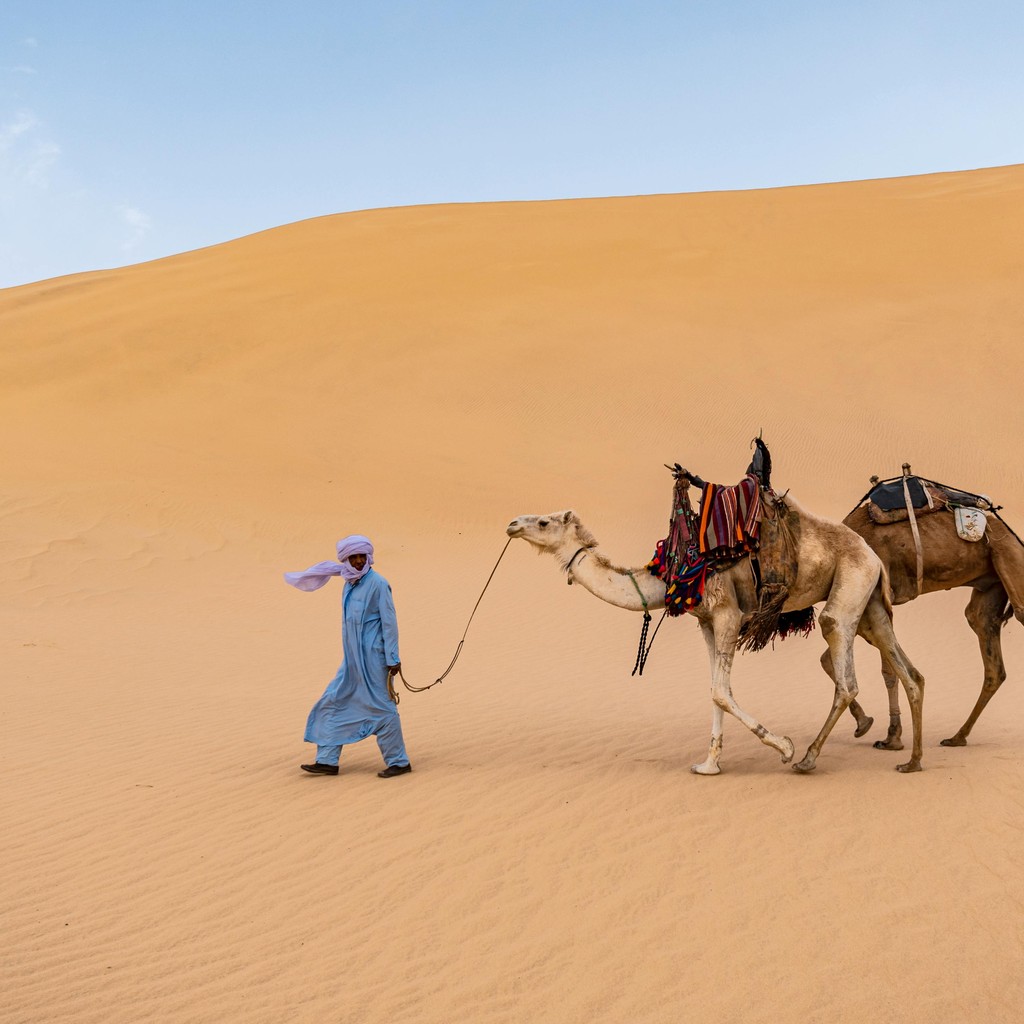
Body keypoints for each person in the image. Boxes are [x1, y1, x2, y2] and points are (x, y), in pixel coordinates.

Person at [284, 534, 412, 779]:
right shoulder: (349, 582)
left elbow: (389, 623)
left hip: (375, 660)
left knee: (382, 708)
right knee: (333, 700)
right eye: (352, 557)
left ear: (368, 557)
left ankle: (399, 762)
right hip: (352, 660)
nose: (357, 562)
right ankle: (327, 761)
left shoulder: (378, 583)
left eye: (361, 557)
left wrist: (392, 658)